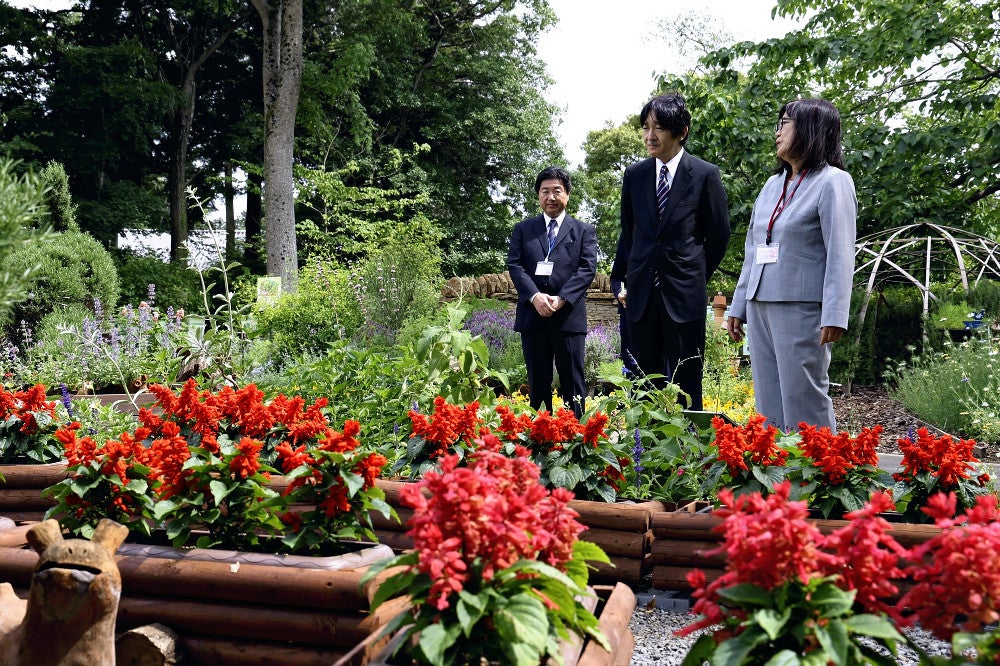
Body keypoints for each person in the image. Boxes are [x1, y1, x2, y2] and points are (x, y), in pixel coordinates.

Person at [726, 98, 857, 431]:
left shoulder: (833, 181)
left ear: (811, 129)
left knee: (804, 403)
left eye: (785, 122)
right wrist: (737, 307)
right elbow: (754, 249)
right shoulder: (772, 185)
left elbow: (841, 252)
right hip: (759, 306)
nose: (778, 131)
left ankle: (820, 477)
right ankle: (777, 479)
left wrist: (835, 313)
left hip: (801, 309)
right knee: (768, 404)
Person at [610, 93, 730, 411]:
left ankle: (689, 457)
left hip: (684, 297)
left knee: (686, 384)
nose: (650, 135)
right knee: (643, 386)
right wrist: (620, 279)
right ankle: (644, 455)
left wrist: (692, 276)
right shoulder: (634, 176)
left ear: (681, 131)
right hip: (641, 297)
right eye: (646, 127)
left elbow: (719, 236)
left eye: (659, 127)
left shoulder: (705, 175)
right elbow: (630, 234)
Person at [507, 166, 597, 417]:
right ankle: (538, 441)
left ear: (567, 194)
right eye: (545, 191)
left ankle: (577, 438)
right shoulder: (524, 230)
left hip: (568, 319)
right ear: (538, 195)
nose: (551, 197)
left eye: (557, 191)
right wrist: (535, 296)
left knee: (573, 386)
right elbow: (515, 265)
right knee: (538, 385)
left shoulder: (583, 231)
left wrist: (562, 299)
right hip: (533, 318)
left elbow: (587, 269)